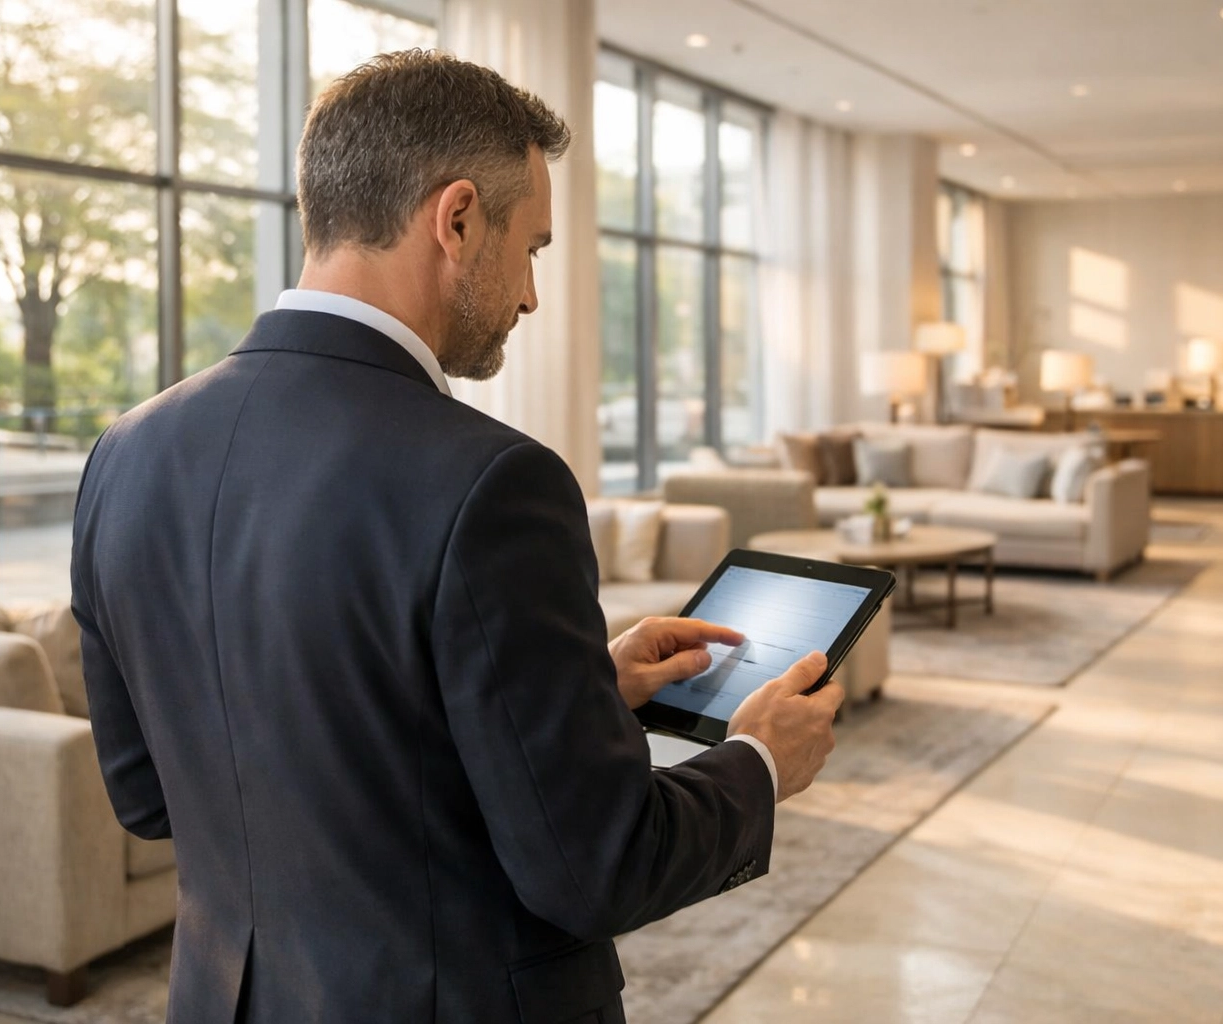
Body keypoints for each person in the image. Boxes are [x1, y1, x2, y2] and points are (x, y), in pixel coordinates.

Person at [71, 51, 843, 1024]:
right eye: (534, 247)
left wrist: (579, 689)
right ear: (459, 218)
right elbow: (594, 865)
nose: (528, 295)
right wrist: (761, 762)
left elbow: (156, 795)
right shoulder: (494, 483)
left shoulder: (125, 454)